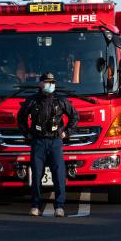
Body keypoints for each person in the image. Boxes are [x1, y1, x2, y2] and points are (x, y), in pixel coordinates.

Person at [17, 72, 78, 217]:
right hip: (38, 142)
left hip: (55, 142)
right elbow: (21, 118)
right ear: (40, 84)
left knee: (58, 174)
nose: (50, 85)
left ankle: (59, 206)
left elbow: (74, 116)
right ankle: (35, 206)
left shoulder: (61, 101)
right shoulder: (32, 101)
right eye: (47, 82)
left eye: (52, 82)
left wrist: (66, 133)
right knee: (36, 174)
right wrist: (28, 134)